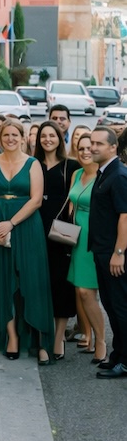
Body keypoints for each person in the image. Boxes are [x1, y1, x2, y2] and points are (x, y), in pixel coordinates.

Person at [0, 119, 54, 363]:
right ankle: (11, 336)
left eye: (15, 134)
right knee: (4, 282)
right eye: (6, 135)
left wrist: (11, 223)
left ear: (23, 137)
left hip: (26, 227)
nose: (10, 138)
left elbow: (36, 200)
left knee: (33, 283)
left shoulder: (33, 164)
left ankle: (42, 341)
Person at [35, 120, 78, 360]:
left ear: (60, 139)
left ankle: (59, 336)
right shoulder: (33, 164)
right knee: (40, 286)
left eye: (52, 135)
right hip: (35, 230)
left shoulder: (71, 166)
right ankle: (43, 337)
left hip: (61, 233)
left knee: (61, 286)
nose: (48, 139)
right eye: (43, 135)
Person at [88, 128, 127, 379]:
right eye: (91, 143)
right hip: (101, 252)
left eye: (98, 144)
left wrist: (119, 252)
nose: (92, 147)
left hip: (115, 256)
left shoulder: (119, 175)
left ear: (113, 147)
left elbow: (125, 216)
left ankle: (125, 362)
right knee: (111, 306)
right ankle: (117, 355)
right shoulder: (104, 173)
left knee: (121, 307)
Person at [67, 135, 107, 364]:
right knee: (82, 291)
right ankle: (91, 337)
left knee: (88, 291)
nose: (84, 152)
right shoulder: (77, 174)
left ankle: (101, 340)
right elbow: (71, 204)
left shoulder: (104, 176)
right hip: (77, 236)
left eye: (89, 148)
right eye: (80, 148)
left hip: (97, 236)